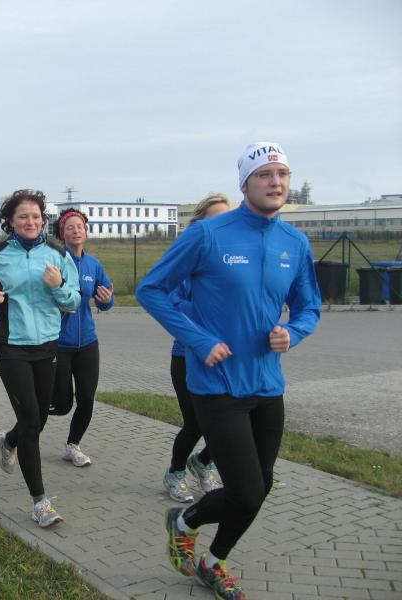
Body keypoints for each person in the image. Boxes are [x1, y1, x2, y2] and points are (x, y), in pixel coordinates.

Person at [136, 143, 321, 599]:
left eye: (282, 173)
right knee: (246, 491)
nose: (275, 182)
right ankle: (185, 522)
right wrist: (199, 340)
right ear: (245, 183)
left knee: (262, 484)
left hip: (267, 384)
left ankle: (213, 560)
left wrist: (293, 332)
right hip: (216, 385)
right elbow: (151, 290)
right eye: (264, 174)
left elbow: (309, 306)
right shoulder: (208, 234)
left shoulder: (294, 243)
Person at [0, 189, 80, 527]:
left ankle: (8, 440)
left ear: (43, 220)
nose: (30, 222)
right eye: (23, 217)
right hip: (11, 346)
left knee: (39, 420)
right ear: (11, 221)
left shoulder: (58, 254)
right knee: (31, 421)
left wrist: (58, 285)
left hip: (47, 344)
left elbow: (73, 301)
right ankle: (40, 503)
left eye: (35, 216)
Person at [162, 193, 229, 503]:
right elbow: (173, 304)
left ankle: (202, 462)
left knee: (231, 420)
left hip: (227, 355)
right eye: (214, 220)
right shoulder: (186, 261)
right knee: (197, 423)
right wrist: (209, 306)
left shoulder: (233, 261)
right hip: (188, 355)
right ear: (199, 224)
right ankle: (175, 473)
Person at [48, 208, 114, 467]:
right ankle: (22, 426)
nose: (76, 231)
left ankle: (73, 446)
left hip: (87, 342)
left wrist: (106, 301)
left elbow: (106, 299)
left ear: (86, 232)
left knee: (87, 398)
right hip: (59, 343)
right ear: (62, 234)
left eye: (80, 227)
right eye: (70, 227)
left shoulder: (93, 265)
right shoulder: (55, 262)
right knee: (62, 403)